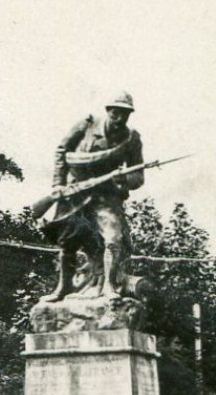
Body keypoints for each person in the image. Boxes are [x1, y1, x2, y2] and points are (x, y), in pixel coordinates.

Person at [43, 93, 144, 300]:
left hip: (106, 196)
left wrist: (123, 180)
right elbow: (62, 150)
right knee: (68, 242)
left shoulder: (131, 139)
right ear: (108, 111)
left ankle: (109, 285)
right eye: (116, 113)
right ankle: (64, 287)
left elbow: (138, 174)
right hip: (76, 193)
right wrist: (58, 184)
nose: (119, 119)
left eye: (125, 114)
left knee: (113, 238)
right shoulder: (86, 126)